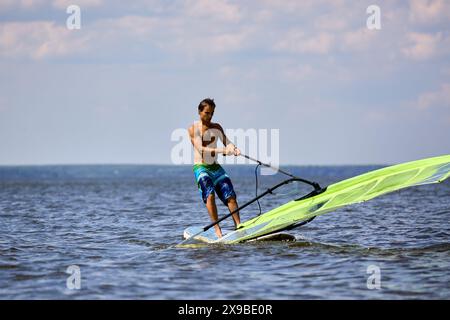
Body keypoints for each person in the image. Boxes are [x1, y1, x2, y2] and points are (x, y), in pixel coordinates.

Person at [188, 98, 241, 238]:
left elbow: (227, 142)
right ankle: (217, 229)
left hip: (216, 168)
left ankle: (239, 225)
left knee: (230, 196)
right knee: (210, 195)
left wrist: (233, 149)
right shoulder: (194, 129)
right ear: (199, 112)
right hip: (201, 168)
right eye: (206, 113)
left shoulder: (216, 127)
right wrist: (223, 151)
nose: (209, 116)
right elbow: (201, 149)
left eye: (211, 113)